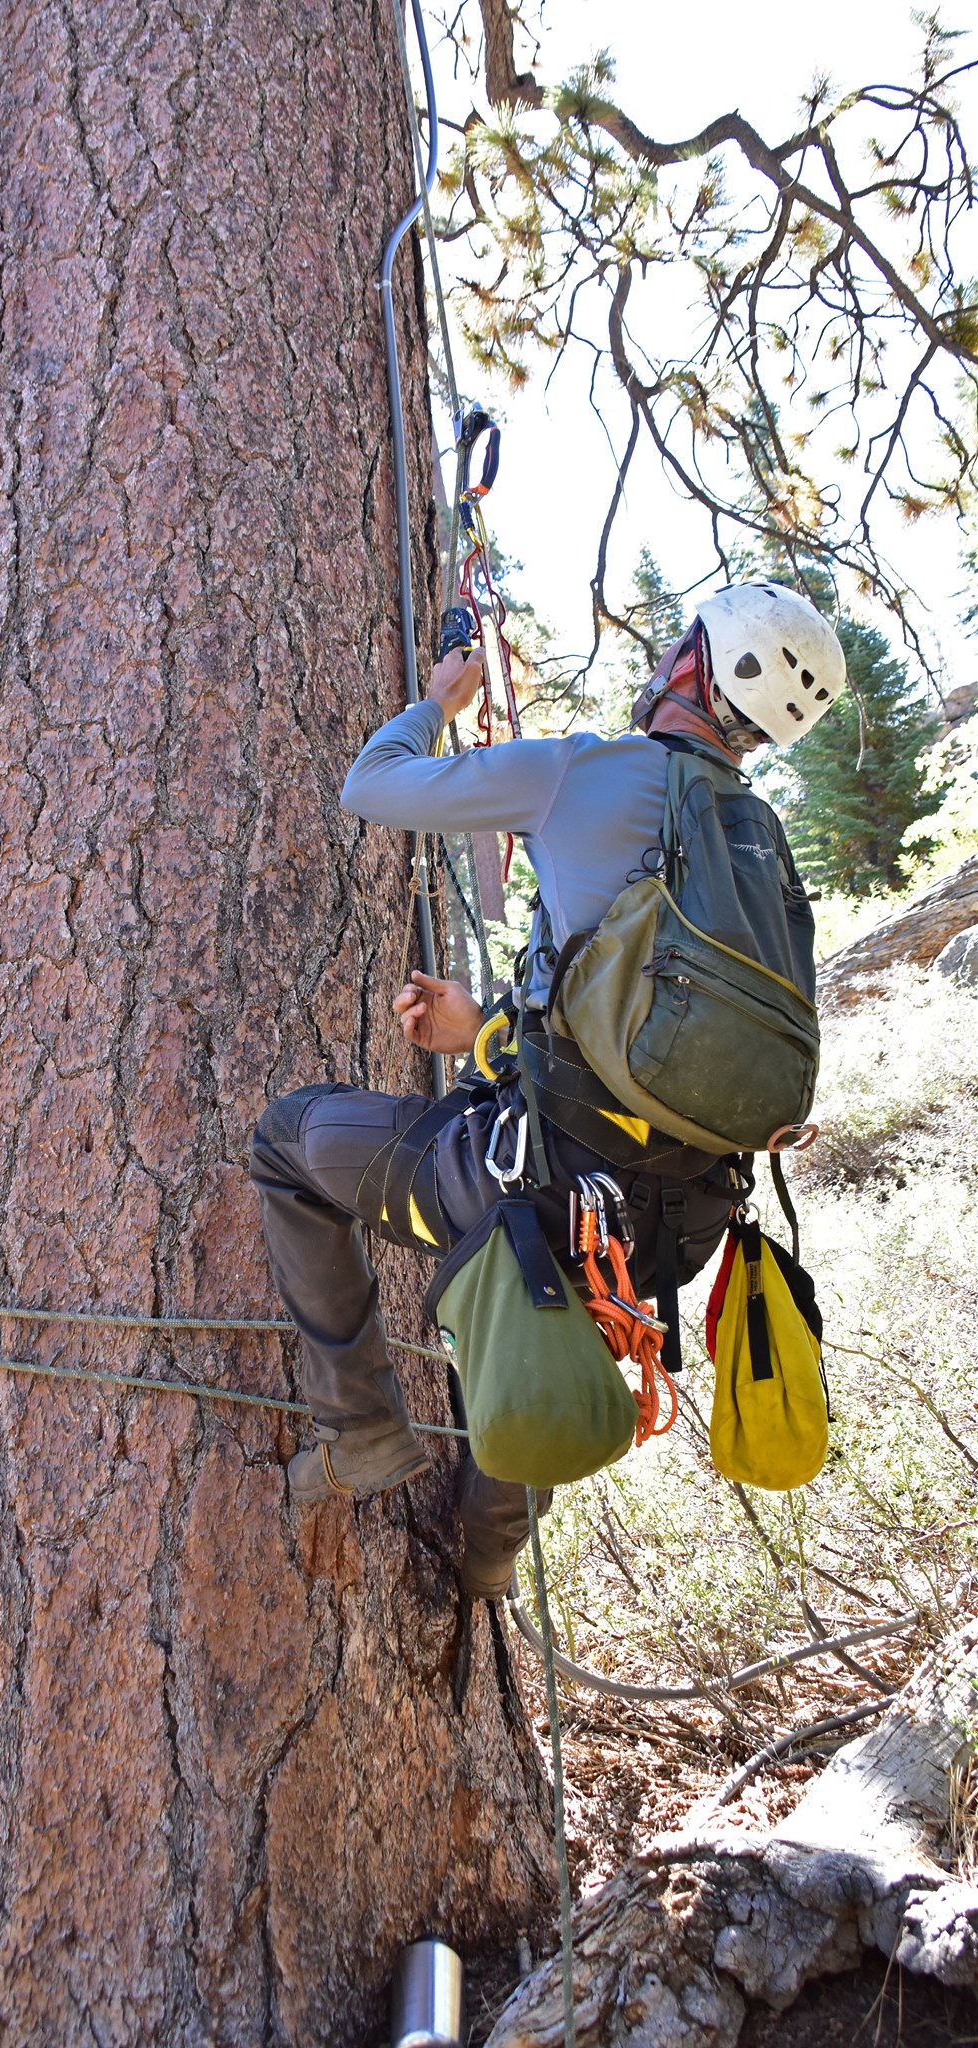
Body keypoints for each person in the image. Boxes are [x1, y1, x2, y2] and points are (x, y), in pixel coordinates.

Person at [248, 582, 848, 1598]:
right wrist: (484, 1027)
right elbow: (652, 1039)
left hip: (532, 1191)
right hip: (679, 1229)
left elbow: (374, 782)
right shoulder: (760, 843)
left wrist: (441, 697)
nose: (665, 649)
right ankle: (484, 1565)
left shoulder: (589, 768)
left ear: (699, 666)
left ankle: (360, 1432)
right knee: (544, 1305)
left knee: (285, 1141)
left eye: (682, 641)